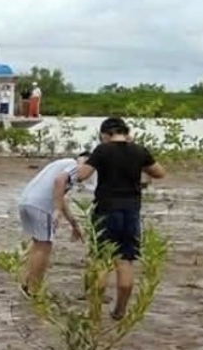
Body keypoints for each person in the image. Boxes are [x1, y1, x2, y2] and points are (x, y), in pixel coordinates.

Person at [73, 117, 166, 320]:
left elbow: (82, 175)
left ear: (105, 134)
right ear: (126, 131)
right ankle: (120, 309)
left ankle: (95, 310)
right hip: (131, 211)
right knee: (126, 260)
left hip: (106, 209)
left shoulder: (102, 150)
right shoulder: (139, 150)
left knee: (101, 260)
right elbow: (159, 173)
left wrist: (82, 163)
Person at [17, 152, 90, 294]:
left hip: (26, 202)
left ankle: (28, 283)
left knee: (38, 244)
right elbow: (59, 181)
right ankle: (33, 289)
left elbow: (60, 197)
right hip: (41, 205)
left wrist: (74, 224)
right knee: (44, 246)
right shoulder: (75, 166)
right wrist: (56, 210)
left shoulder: (61, 164)